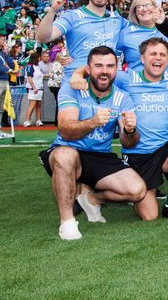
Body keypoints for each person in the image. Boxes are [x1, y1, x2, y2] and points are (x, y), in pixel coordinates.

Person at [71, 37, 168, 221]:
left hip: (166, 146)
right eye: (153, 54)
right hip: (139, 153)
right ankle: (93, 198)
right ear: (142, 58)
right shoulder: (127, 78)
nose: (158, 58)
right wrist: (77, 74)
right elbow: (98, 69)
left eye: (163, 54)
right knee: (149, 215)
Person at [38, 46, 143, 240]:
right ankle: (67, 223)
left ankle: (91, 198)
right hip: (68, 149)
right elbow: (66, 131)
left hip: (100, 155)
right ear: (88, 68)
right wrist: (93, 122)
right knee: (65, 155)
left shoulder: (122, 97)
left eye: (110, 66)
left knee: (138, 191)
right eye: (99, 66)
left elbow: (129, 144)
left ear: (116, 69)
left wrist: (130, 130)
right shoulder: (72, 88)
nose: (104, 71)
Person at [36, 0, 125, 80]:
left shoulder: (118, 20)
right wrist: (53, 10)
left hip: (106, 86)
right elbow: (43, 37)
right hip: (76, 84)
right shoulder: (72, 16)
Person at [117, 0, 168, 77]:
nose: (144, 9)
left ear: (155, 7)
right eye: (139, 7)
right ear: (134, 12)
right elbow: (114, 60)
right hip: (137, 87)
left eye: (148, 5)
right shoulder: (125, 34)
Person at [0, 32, 14, 139]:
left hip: (4, 81)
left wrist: (7, 53)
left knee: (1, 108)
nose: (4, 41)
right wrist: (7, 69)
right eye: (2, 38)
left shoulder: (2, 52)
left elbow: (12, 65)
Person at [23, 50, 48, 126]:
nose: (40, 59)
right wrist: (34, 87)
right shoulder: (30, 66)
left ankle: (38, 120)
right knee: (32, 104)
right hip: (33, 88)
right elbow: (29, 77)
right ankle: (27, 120)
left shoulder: (37, 66)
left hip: (39, 87)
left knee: (38, 104)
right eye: (39, 57)